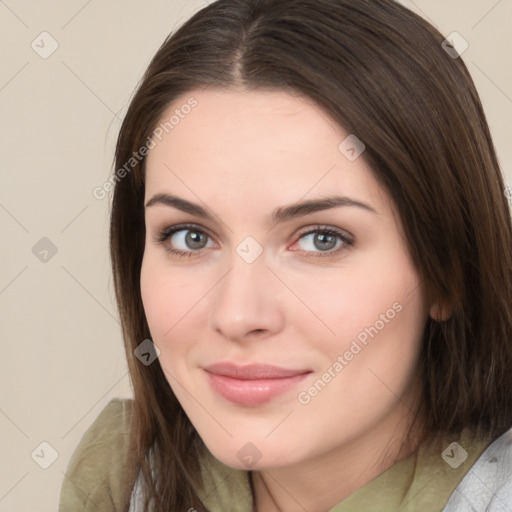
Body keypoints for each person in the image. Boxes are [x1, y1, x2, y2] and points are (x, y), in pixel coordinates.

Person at [59, 0, 512, 511]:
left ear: (448, 271)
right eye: (190, 236)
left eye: (322, 238)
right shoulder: (124, 478)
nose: (237, 315)